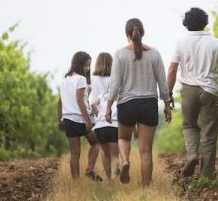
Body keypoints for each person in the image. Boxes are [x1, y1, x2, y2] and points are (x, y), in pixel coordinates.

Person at [167, 8, 218, 180]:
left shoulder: (180, 43)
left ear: (186, 23)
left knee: (189, 126)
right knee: (209, 135)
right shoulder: (216, 43)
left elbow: (172, 69)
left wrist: (168, 93)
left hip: (189, 90)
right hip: (209, 91)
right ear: (205, 23)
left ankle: (191, 156)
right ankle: (206, 175)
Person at [106, 18, 172, 186]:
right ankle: (146, 188)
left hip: (127, 104)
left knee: (123, 137)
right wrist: (166, 104)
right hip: (149, 104)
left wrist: (108, 106)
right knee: (145, 151)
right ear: (143, 33)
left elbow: (114, 85)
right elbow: (162, 83)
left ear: (127, 34)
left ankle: (126, 161)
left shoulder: (120, 54)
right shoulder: (155, 53)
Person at [57, 51, 103, 181]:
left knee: (75, 153)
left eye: (89, 66)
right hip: (81, 119)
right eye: (86, 65)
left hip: (68, 120)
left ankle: (76, 183)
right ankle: (90, 169)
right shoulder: (81, 79)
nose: (88, 69)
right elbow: (80, 100)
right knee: (96, 143)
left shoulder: (64, 80)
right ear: (79, 64)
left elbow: (60, 102)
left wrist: (60, 120)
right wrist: (87, 120)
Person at [92, 91, 120, 179]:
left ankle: (108, 179)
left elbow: (92, 104)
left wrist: (98, 115)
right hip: (113, 126)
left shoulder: (101, 96)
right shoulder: (120, 97)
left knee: (106, 154)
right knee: (114, 156)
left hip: (100, 127)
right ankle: (114, 177)